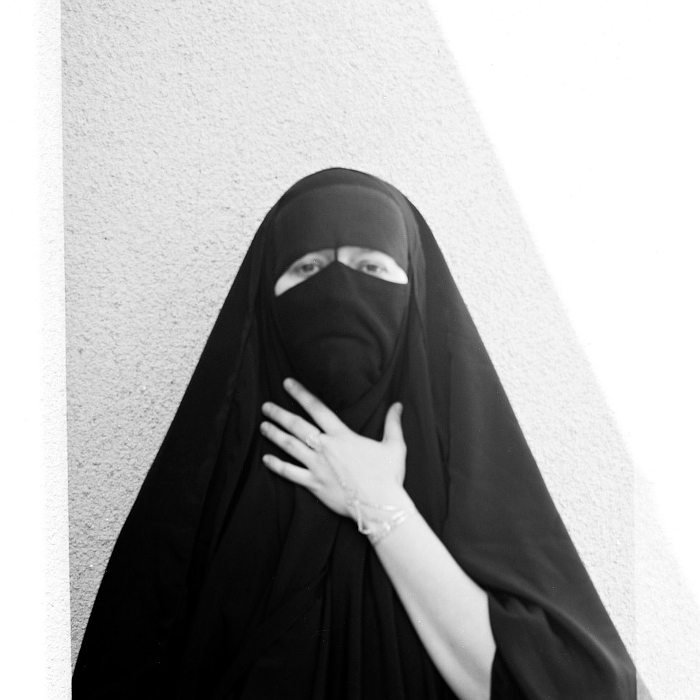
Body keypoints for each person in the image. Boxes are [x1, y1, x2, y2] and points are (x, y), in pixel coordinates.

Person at [73, 168, 637, 699]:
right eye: (308, 269)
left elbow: (561, 687)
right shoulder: (205, 495)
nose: (340, 291)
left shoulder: (464, 482)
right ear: (264, 301)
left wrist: (380, 502)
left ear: (417, 295)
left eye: (371, 267)